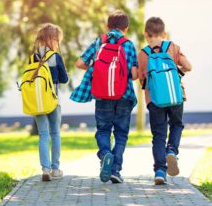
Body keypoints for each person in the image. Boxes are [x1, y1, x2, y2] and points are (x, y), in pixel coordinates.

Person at [71, 10, 138, 183]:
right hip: (124, 94)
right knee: (121, 133)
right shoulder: (128, 44)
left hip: (102, 94)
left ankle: (105, 154)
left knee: (103, 130)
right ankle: (115, 170)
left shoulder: (99, 41)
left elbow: (80, 63)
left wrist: (98, 70)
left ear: (107, 26)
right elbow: (135, 74)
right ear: (126, 28)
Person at [137, 17, 192, 185]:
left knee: (159, 135)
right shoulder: (173, 47)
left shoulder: (143, 54)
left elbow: (141, 79)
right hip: (175, 96)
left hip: (155, 99)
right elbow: (188, 66)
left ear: (146, 34)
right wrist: (176, 71)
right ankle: (172, 151)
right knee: (176, 125)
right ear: (164, 33)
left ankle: (160, 171)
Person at [31, 23, 68, 181]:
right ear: (52, 40)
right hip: (53, 101)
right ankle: (55, 169)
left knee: (43, 135)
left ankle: (45, 169)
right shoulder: (56, 57)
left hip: (37, 102)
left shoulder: (33, 57)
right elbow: (64, 79)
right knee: (55, 133)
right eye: (57, 39)